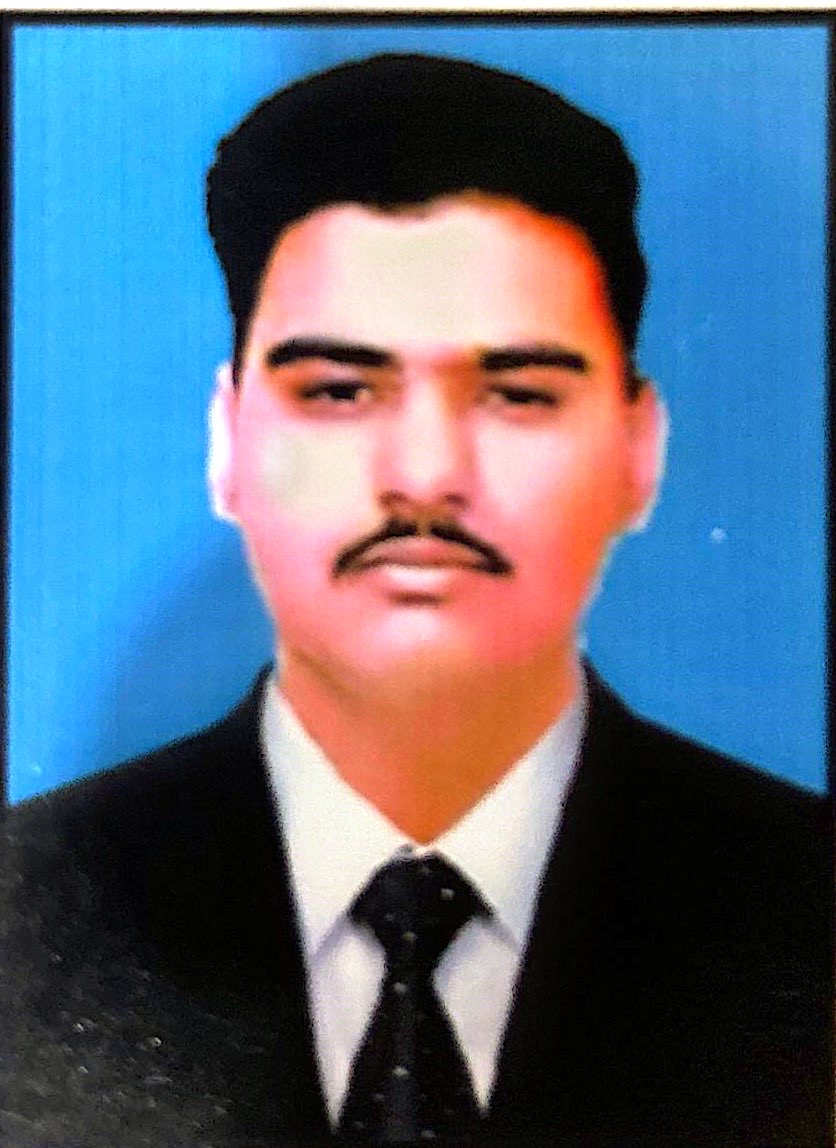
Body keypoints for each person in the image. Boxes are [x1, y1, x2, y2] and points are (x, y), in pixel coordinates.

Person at [1, 53, 829, 1148]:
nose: (427, 475)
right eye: (339, 390)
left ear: (638, 449)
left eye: (516, 393)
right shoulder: (23, 915)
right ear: (228, 441)